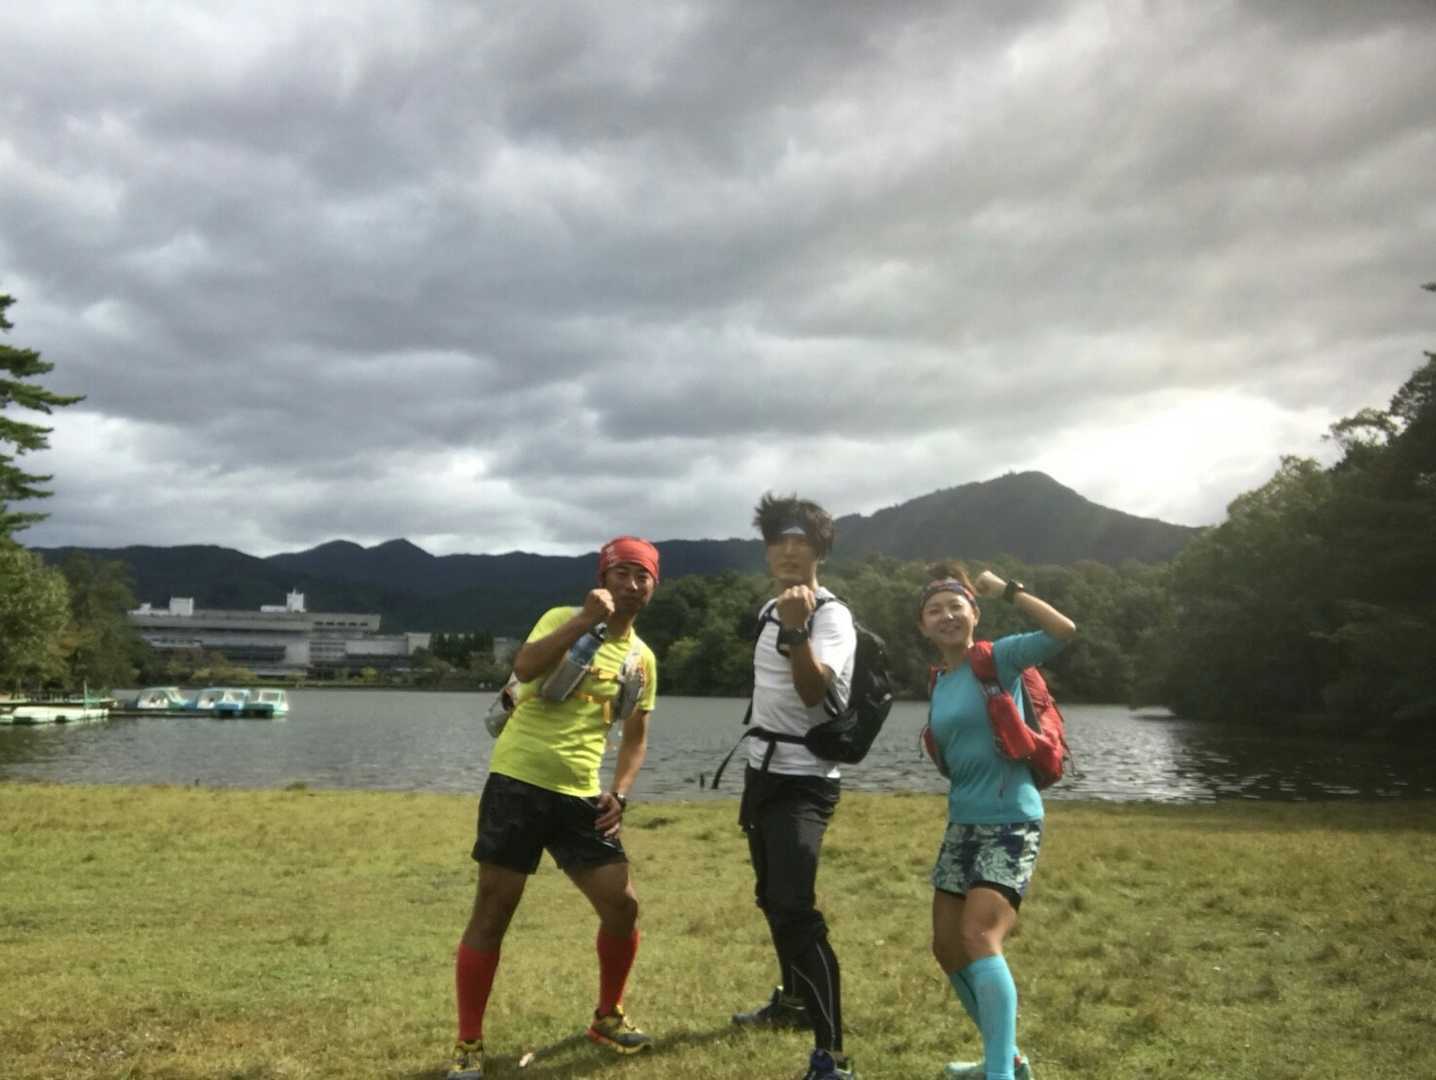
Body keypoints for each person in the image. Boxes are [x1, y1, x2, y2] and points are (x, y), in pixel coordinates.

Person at [446, 537, 662, 1080]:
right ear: (602, 578)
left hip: (581, 795)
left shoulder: (642, 659)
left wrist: (621, 792)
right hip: (518, 782)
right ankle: (469, 1043)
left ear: (653, 587)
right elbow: (526, 666)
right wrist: (585, 620)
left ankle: (607, 1017)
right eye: (622, 573)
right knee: (493, 912)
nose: (632, 584)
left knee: (622, 907)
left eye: (643, 576)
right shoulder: (562, 617)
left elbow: (636, 739)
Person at [916, 561, 1077, 1080]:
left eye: (956, 606)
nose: (946, 616)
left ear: (974, 615)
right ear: (923, 626)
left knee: (980, 935)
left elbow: (1063, 631)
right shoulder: (941, 682)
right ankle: (1005, 1058)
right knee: (947, 946)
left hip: (1011, 820)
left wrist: (1008, 590)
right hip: (962, 824)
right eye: (934, 610)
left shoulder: (999, 659)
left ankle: (999, 1076)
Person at [731, 493, 858, 1080]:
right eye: (778, 540)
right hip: (761, 772)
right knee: (770, 898)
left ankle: (833, 1057)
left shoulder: (831, 617)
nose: (787, 550)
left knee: (795, 909)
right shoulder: (769, 608)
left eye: (800, 541)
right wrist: (783, 620)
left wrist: (796, 628)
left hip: (805, 779)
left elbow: (812, 691)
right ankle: (792, 1001)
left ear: (819, 551)